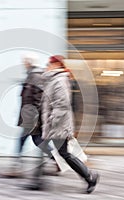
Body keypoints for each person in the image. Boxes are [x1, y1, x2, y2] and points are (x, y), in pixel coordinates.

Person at [26, 55, 99, 193]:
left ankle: (90, 176)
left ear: (56, 65)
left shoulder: (59, 80)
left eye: (49, 64)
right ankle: (38, 181)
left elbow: (62, 105)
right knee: (50, 149)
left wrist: (51, 121)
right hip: (53, 125)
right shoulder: (53, 80)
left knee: (64, 154)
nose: (47, 66)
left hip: (57, 125)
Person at [0, 54, 58, 177]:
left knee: (24, 141)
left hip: (32, 118)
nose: (23, 63)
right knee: (39, 142)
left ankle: (16, 168)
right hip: (30, 116)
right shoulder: (32, 74)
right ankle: (57, 162)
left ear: (30, 62)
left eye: (25, 61)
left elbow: (38, 99)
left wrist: (33, 117)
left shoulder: (35, 76)